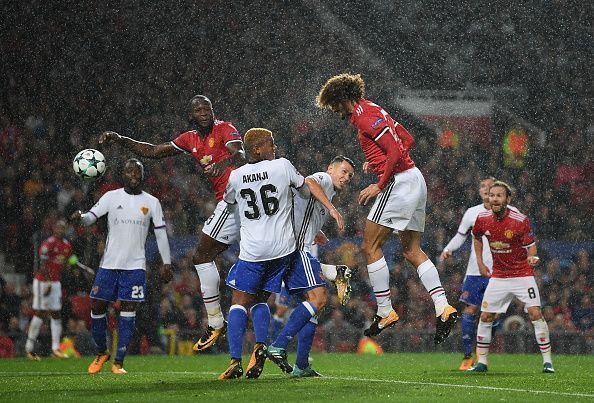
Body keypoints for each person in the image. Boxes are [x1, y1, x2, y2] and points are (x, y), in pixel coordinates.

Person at [316, 73, 457, 343]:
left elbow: (394, 149)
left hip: (399, 182)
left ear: (343, 99)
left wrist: (380, 183)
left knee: (370, 247)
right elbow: (407, 139)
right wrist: (378, 160)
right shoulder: (375, 109)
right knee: (411, 250)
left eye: (334, 105)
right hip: (415, 179)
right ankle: (443, 306)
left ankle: (384, 311)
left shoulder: (362, 116)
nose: (335, 112)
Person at [99, 95, 244, 352]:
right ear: (191, 115)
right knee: (256, 259)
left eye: (207, 108)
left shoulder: (224, 128)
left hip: (235, 198)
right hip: (242, 204)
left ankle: (216, 323)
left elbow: (239, 153)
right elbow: (153, 151)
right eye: (198, 109)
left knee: (201, 257)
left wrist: (221, 165)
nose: (203, 112)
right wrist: (121, 140)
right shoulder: (189, 139)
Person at [218, 128, 343, 380]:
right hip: (282, 251)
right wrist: (330, 208)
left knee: (239, 303)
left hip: (252, 251)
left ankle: (235, 360)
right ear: (257, 149)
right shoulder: (282, 166)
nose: (274, 148)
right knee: (273, 299)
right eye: (270, 144)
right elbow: (306, 184)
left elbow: (229, 201)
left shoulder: (235, 176)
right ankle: (265, 347)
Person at [70, 159, 173, 374]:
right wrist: (80, 217)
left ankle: (119, 362)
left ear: (143, 175)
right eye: (129, 171)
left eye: (138, 171)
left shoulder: (152, 202)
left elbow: (161, 234)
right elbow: (90, 217)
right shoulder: (111, 197)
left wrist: (167, 262)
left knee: (128, 310)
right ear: (123, 174)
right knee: (97, 307)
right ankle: (101, 352)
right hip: (109, 264)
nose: (134, 174)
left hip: (135, 266)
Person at [267, 156, 355, 377]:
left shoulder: (329, 192)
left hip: (292, 247)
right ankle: (278, 345)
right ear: (330, 169)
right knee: (319, 298)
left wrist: (317, 231)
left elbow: (302, 209)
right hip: (296, 249)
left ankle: (302, 365)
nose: (346, 178)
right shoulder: (324, 179)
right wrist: (332, 209)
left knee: (314, 307)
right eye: (343, 172)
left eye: (350, 176)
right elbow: (308, 182)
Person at [467, 181, 554, 373]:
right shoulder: (482, 219)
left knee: (535, 314)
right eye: (492, 195)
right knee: (486, 315)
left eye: (499, 195)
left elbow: (531, 245)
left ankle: (547, 362)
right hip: (498, 276)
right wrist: (481, 263)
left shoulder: (520, 220)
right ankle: (482, 363)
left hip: (522, 274)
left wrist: (532, 256)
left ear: (508, 199)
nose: (495, 198)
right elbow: (476, 237)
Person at [440, 177, 519, 370]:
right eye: (482, 186)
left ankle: (481, 349)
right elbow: (461, 235)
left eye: (490, 187)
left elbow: (522, 234)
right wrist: (448, 249)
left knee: (492, 315)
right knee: (470, 311)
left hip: (501, 271)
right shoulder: (472, 213)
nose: (486, 189)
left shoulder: (513, 213)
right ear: (480, 191)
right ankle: (468, 356)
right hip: (475, 272)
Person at [25, 219, 73, 360]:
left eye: (62, 228)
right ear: (54, 229)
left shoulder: (66, 245)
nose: (59, 230)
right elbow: (42, 264)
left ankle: (56, 348)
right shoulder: (48, 243)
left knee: (56, 313)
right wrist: (47, 282)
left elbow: (67, 262)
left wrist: (70, 266)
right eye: (57, 227)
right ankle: (29, 349)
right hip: (43, 282)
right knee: (40, 312)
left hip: (55, 282)